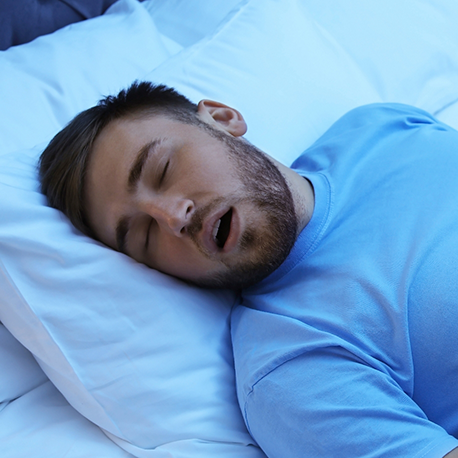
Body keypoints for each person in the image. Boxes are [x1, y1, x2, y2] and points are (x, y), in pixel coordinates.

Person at [39, 81, 458, 458]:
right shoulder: (291, 368)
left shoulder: (378, 127)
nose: (173, 217)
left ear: (222, 119)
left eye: (163, 169)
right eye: (144, 236)